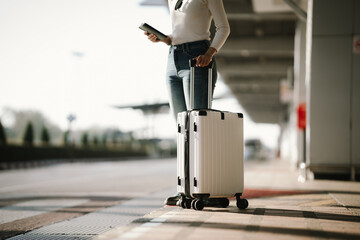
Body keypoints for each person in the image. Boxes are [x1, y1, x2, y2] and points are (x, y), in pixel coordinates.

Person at [145, 0, 230, 205]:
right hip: (172, 59)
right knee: (182, 130)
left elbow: (223, 28)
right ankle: (185, 190)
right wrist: (163, 39)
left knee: (198, 129)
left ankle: (206, 190)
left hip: (198, 56)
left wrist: (210, 53)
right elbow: (181, 32)